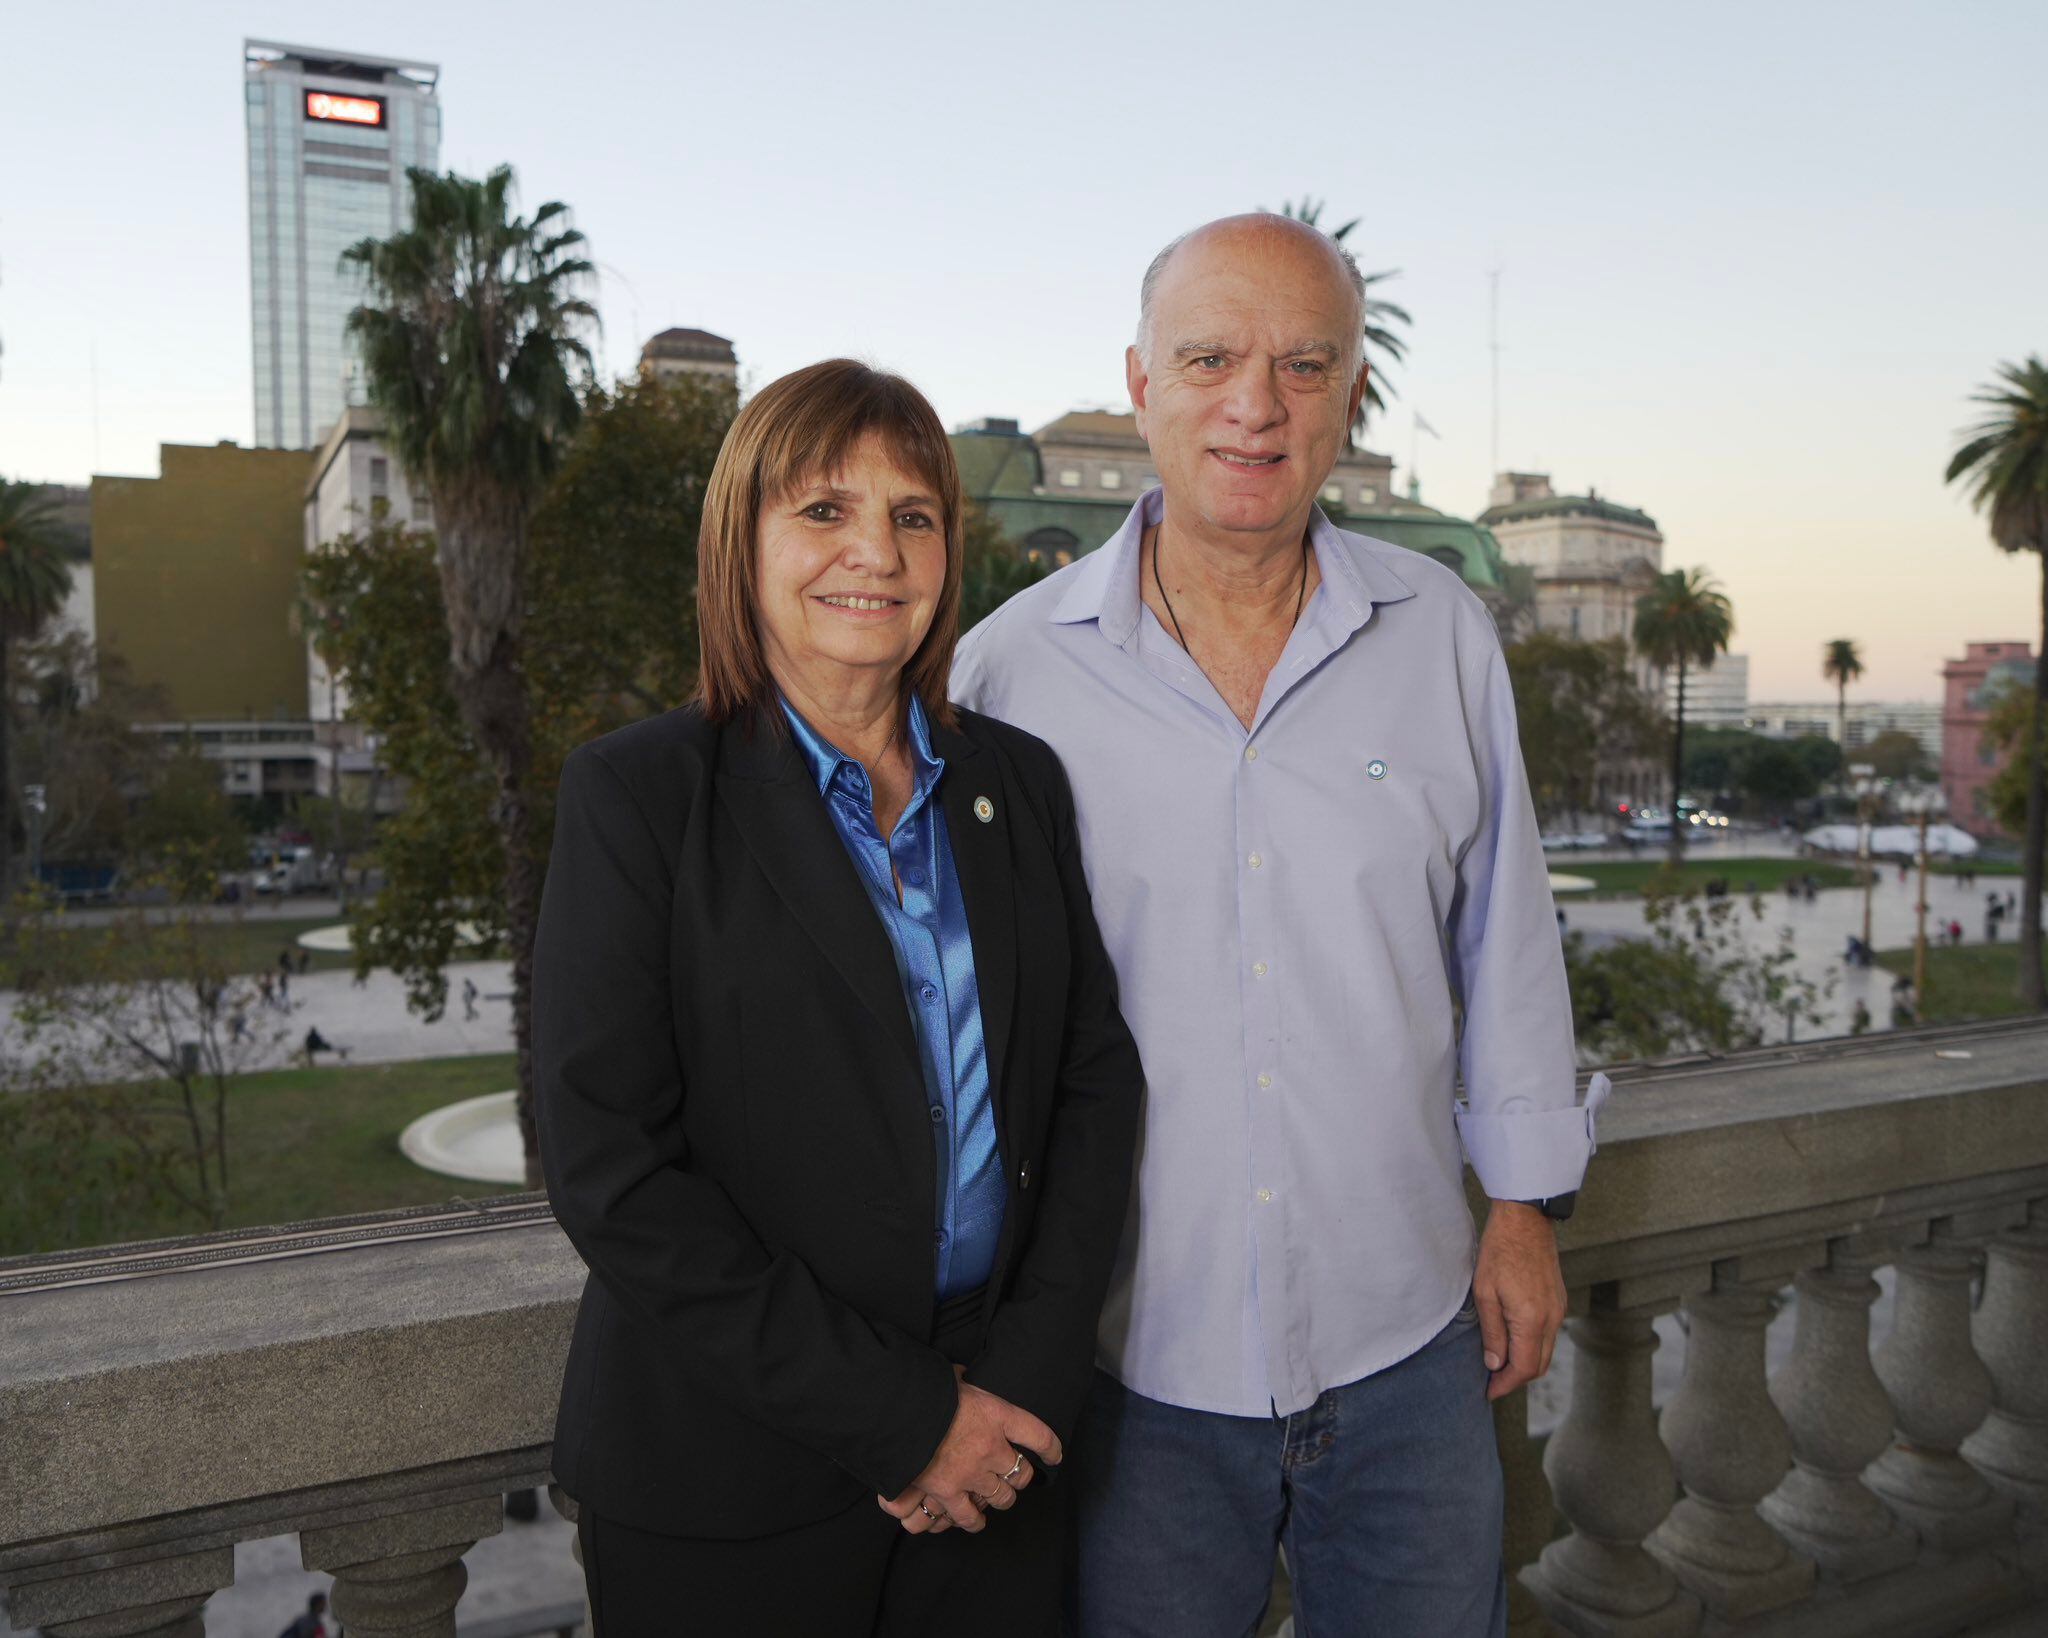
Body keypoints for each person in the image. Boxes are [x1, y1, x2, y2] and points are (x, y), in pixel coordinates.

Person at [953, 213, 1606, 1637]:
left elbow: (1505, 943)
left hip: (1411, 1340)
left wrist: (1522, 1206)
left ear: (1351, 393)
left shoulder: (1440, 632)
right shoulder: (1006, 675)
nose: (1257, 404)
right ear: (1140, 383)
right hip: (1131, 1366)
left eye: (1306, 366)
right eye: (1211, 358)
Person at [535, 359, 1144, 1636]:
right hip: (728, 1482)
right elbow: (611, 1172)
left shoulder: (1015, 784)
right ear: (738, 544)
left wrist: (1020, 1392)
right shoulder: (638, 798)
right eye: (822, 511)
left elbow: (1091, 1085)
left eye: (912, 515)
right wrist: (906, 1422)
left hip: (999, 1458)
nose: (874, 550)